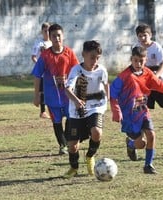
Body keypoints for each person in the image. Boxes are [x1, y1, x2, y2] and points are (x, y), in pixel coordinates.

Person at [110, 46, 163, 174]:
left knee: (151, 135)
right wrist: (116, 110)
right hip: (129, 116)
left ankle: (148, 165)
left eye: (141, 61)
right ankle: (131, 145)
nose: (138, 64)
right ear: (131, 59)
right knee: (140, 144)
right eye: (136, 60)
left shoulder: (148, 73)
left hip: (142, 110)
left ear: (145, 60)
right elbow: (113, 93)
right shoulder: (124, 76)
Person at [63, 40, 109, 178]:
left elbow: (106, 84)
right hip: (77, 111)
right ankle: (74, 167)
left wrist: (110, 101)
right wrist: (76, 101)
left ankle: (90, 156)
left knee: (97, 132)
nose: (95, 61)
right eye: (92, 57)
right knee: (72, 146)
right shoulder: (76, 70)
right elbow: (67, 89)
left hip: (96, 107)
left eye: (97, 58)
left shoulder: (101, 70)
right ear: (84, 54)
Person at [31, 23, 79, 155]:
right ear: (50, 38)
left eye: (59, 35)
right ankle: (63, 145)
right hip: (52, 97)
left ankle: (68, 140)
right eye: (54, 36)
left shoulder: (69, 53)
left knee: (70, 118)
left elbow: (77, 72)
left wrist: (77, 89)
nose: (57, 38)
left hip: (68, 95)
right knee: (56, 121)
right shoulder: (45, 56)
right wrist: (36, 95)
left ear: (63, 36)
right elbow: (37, 75)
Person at [31, 22, 52, 119]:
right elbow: (34, 57)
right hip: (42, 71)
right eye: (45, 31)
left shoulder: (53, 43)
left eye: (49, 30)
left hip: (52, 71)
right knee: (42, 91)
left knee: (52, 91)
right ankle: (43, 112)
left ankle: (52, 110)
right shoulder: (39, 43)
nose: (47, 32)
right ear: (42, 31)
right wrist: (39, 66)